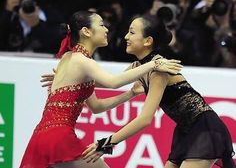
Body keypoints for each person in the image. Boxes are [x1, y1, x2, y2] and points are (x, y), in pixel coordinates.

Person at [20, 11, 182, 168]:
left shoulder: (70, 57)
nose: (106, 29)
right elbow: (112, 82)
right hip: (59, 137)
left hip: (41, 136)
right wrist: (154, 63)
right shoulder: (82, 61)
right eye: (101, 25)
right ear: (86, 32)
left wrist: (130, 93)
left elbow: (97, 107)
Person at [82, 15, 236, 168]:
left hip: (204, 128)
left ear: (147, 41)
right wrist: (70, 78)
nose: (126, 36)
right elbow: (109, 82)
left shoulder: (159, 70)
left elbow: (145, 119)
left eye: (132, 32)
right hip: (185, 130)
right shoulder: (139, 66)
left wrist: (106, 143)